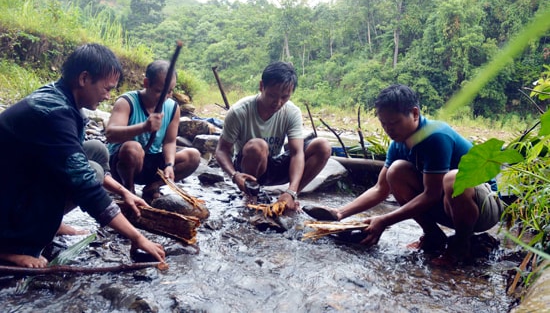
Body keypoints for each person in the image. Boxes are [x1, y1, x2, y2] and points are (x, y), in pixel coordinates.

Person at [0, 43, 165, 268]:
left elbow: (74, 158)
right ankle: (11, 245)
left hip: (17, 175)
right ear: (84, 79)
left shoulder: (63, 98)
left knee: (96, 149)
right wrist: (137, 237)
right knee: (93, 173)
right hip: (7, 192)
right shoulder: (54, 113)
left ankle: (50, 223)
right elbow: (84, 183)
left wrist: (124, 192)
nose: (108, 96)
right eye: (106, 89)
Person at [303, 84, 503, 264]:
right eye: (384, 124)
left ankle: (461, 246)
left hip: (485, 208)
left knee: (452, 179)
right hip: (448, 207)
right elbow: (380, 189)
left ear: (414, 113)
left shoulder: (435, 137)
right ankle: (433, 236)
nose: (389, 129)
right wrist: (340, 213)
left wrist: (384, 220)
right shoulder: (398, 143)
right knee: (396, 171)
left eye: (394, 122)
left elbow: (431, 194)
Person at [215, 61, 332, 211]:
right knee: (258, 146)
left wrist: (292, 191)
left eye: (285, 97)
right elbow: (221, 150)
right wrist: (234, 175)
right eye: (272, 96)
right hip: (247, 169)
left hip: (275, 166)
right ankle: (251, 195)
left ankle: (291, 197)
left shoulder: (292, 112)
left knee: (323, 146)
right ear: (261, 86)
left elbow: (297, 153)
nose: (278, 103)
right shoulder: (239, 111)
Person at [105, 60, 201, 202]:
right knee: (133, 147)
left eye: (169, 91)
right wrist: (144, 127)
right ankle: (128, 189)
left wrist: (169, 164)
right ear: (146, 83)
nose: (165, 96)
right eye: (159, 91)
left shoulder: (173, 108)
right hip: (123, 162)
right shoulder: (126, 102)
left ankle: (151, 188)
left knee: (193, 156)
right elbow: (110, 134)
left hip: (151, 161)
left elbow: (170, 141)